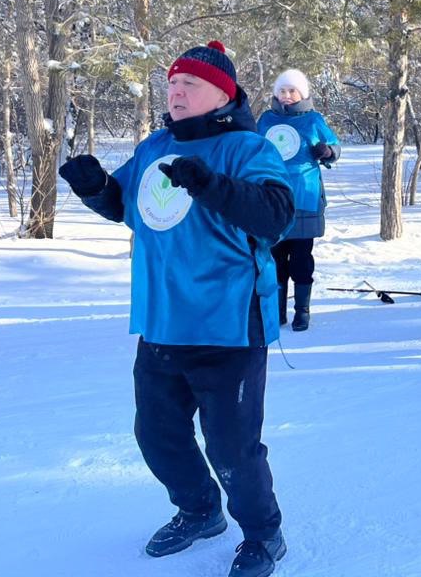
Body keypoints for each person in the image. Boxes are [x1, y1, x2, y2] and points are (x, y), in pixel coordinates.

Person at [59, 41, 292, 576]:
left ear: (222, 93)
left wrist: (211, 185)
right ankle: (199, 511)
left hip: (229, 324)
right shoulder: (154, 144)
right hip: (162, 321)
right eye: (171, 83)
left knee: (233, 449)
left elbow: (274, 215)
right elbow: (127, 207)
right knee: (157, 435)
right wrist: (95, 189)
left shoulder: (248, 149)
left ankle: (263, 535)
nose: (176, 91)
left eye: (190, 84)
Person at [257, 69, 340, 332]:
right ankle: (277, 309)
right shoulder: (266, 120)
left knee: (302, 259)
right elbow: (253, 147)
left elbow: (334, 147)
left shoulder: (313, 119)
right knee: (276, 257)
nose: (287, 95)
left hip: (304, 195)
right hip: (273, 197)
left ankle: (302, 310)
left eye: (292, 90)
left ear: (302, 93)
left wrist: (326, 151)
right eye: (282, 90)